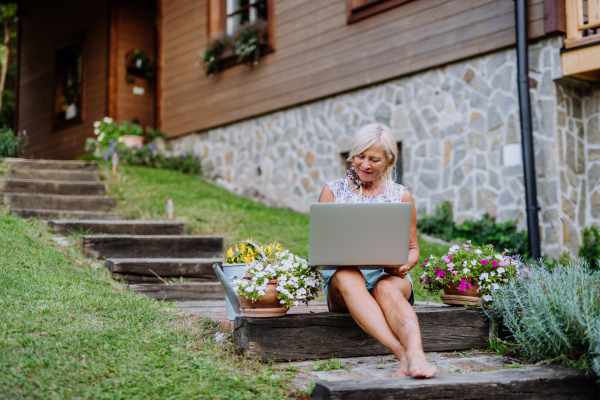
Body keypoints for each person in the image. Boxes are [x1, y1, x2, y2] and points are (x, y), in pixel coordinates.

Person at [317, 123, 437, 378]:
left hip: (387, 275)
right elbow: (322, 245)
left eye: (374, 159)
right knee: (349, 275)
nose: (365, 165)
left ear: (389, 160)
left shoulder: (400, 196)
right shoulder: (332, 191)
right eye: (360, 156)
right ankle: (402, 354)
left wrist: (405, 265)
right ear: (352, 155)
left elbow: (413, 249)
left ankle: (417, 355)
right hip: (344, 281)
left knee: (386, 288)